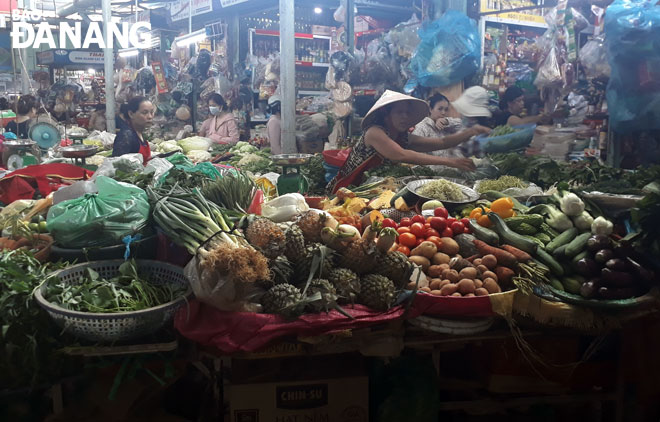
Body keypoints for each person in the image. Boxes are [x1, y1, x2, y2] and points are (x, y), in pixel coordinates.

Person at [327, 90, 490, 193]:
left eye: (407, 113)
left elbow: (442, 143)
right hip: (348, 189)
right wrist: (450, 161)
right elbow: (401, 155)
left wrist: (471, 131)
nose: (405, 117)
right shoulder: (375, 132)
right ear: (386, 113)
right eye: (399, 112)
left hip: (372, 189)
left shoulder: (400, 135)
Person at [413, 93, 466, 159]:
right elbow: (418, 156)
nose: (443, 113)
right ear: (430, 109)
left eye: (446, 109)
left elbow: (463, 125)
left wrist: (446, 121)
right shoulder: (421, 127)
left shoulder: (447, 126)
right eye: (440, 109)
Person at [112, 96, 154, 164]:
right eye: (144, 112)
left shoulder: (139, 132)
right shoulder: (126, 136)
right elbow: (117, 166)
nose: (150, 117)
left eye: (151, 112)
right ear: (131, 114)